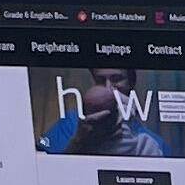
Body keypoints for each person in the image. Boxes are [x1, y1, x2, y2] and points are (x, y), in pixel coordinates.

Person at [38, 66, 168, 158]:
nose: (108, 88)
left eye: (116, 79)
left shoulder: (153, 143)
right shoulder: (71, 123)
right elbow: (44, 170)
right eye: (100, 80)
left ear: (131, 82)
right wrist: (79, 142)